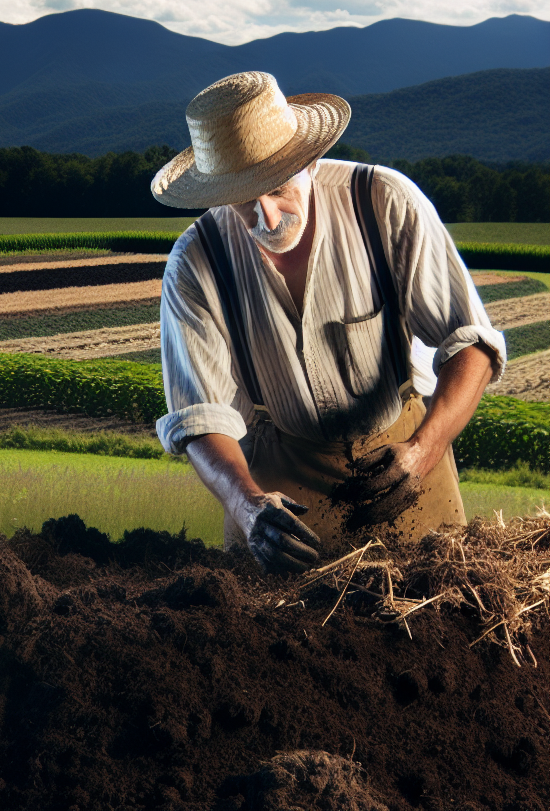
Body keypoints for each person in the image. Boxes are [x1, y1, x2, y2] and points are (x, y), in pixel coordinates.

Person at [150, 71, 505, 574]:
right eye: (245, 200)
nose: (268, 219)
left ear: (310, 162)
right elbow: (200, 415)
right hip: (278, 483)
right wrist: (247, 505)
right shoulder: (195, 263)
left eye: (277, 188)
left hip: (403, 463)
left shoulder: (383, 203)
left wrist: (425, 451)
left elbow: (471, 343)